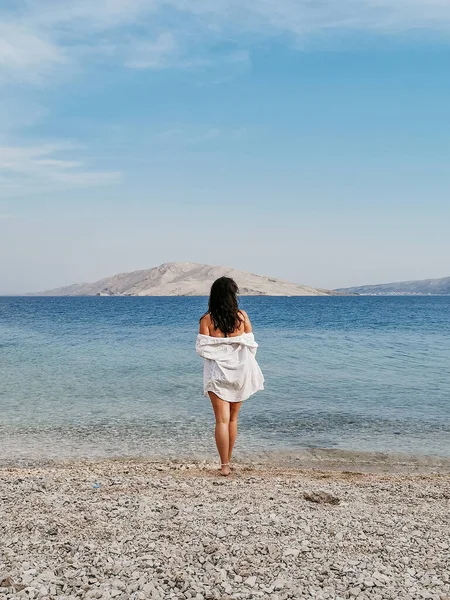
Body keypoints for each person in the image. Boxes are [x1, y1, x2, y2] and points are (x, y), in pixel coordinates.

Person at [196, 277, 264, 476]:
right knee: (233, 419)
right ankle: (229, 459)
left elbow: (202, 349)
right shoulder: (242, 317)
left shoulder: (206, 320)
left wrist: (220, 350)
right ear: (233, 295)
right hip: (241, 372)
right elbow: (251, 344)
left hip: (217, 375)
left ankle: (224, 465)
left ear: (213, 296)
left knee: (221, 421)